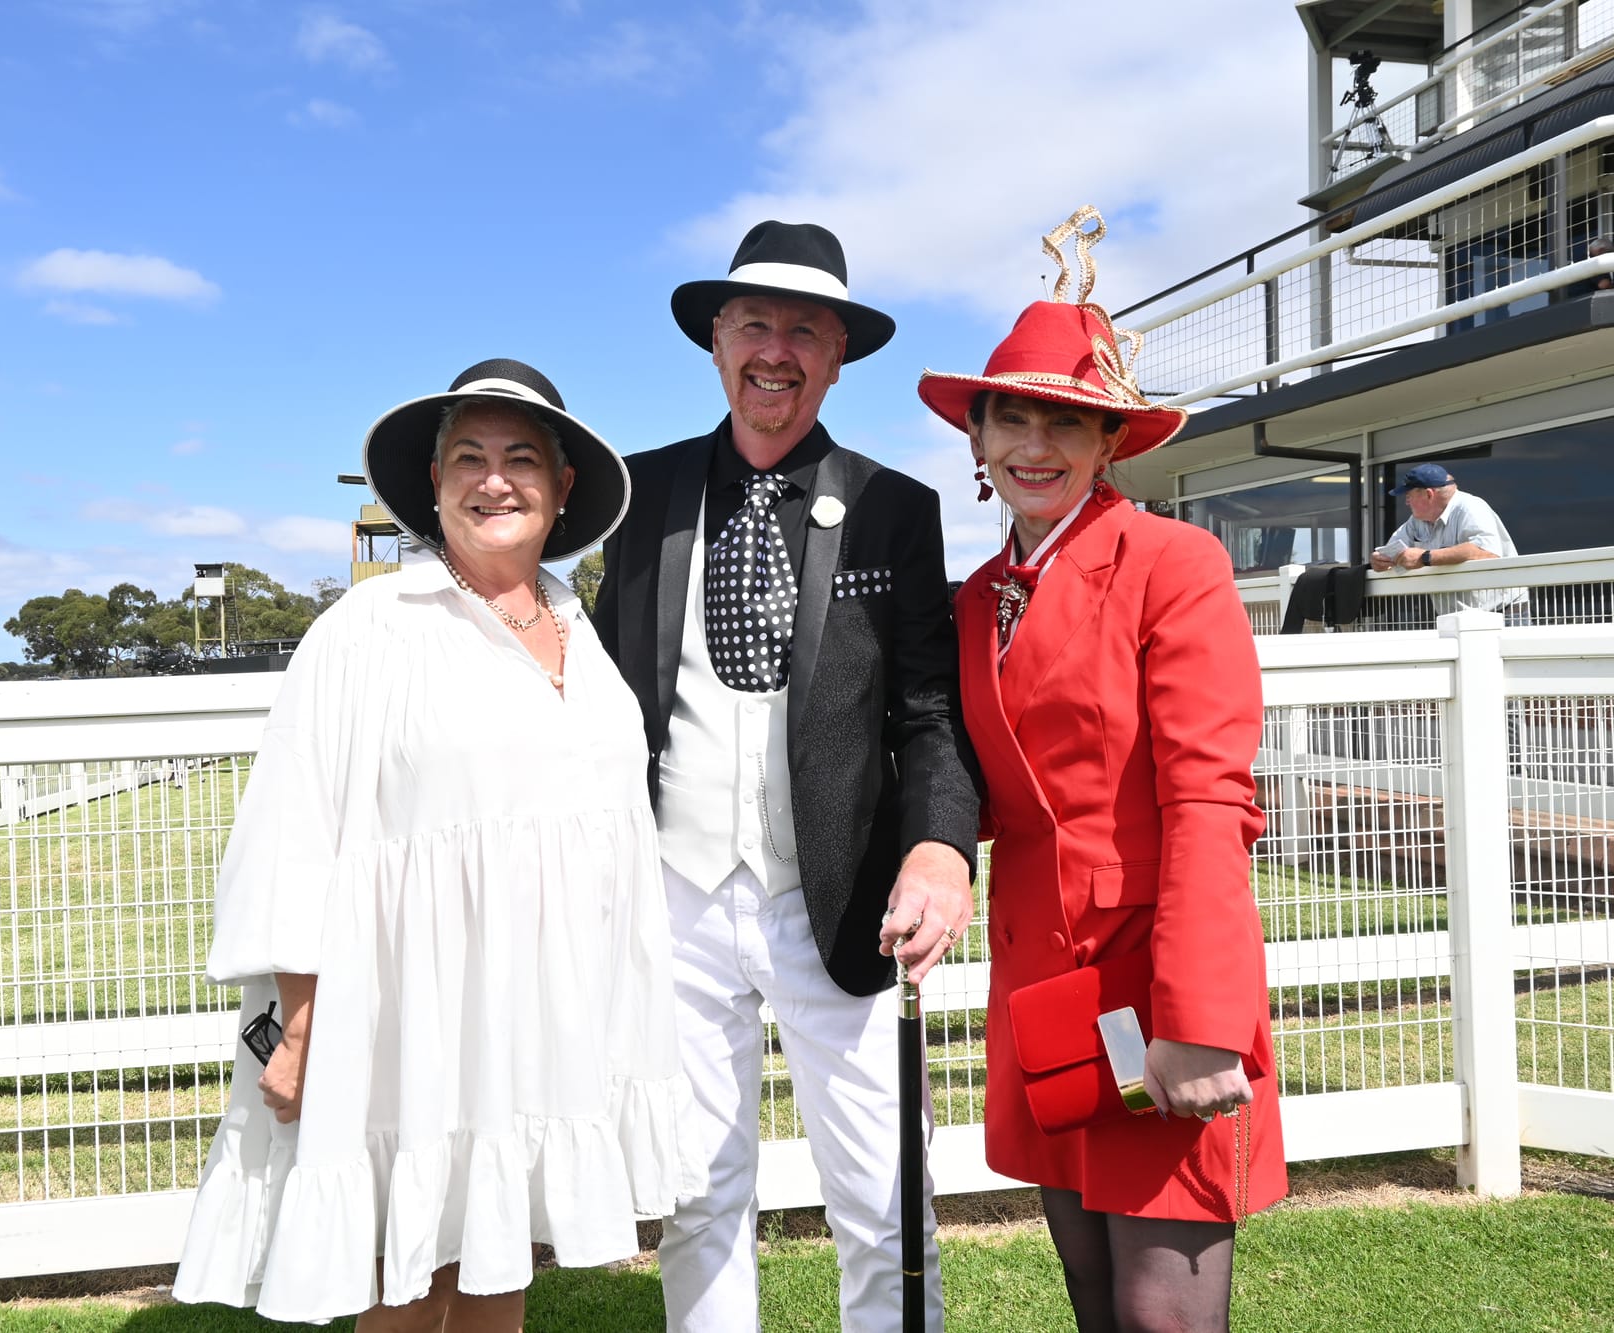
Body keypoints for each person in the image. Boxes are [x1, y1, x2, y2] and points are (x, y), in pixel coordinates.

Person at [173, 359, 686, 1332]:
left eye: (521, 458)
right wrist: (301, 1021)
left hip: (530, 1012)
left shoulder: (581, 630)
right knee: (402, 1273)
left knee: (495, 1255)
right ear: (435, 482)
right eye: (469, 457)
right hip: (404, 1009)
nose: (495, 480)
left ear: (562, 484)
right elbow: (294, 824)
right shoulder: (371, 627)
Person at [592, 220, 981, 1332]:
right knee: (697, 1192)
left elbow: (926, 708)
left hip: (839, 896)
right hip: (672, 898)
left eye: (802, 329)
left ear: (837, 354)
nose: (775, 349)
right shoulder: (639, 493)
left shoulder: (892, 508)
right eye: (753, 323)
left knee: (879, 1196)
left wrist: (940, 846)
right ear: (715, 341)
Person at [917, 207, 1287, 1331]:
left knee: (1160, 1315)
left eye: (1065, 423)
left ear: (1108, 441)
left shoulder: (1172, 562)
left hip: (1150, 988)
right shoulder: (974, 599)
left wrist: (1199, 1014)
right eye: (1010, 417)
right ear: (975, 440)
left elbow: (1208, 794)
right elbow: (965, 780)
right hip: (1044, 997)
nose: (1035, 443)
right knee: (1091, 1301)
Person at [1369, 462, 1525, 616]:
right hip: (1458, 617)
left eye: (1409, 496)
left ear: (1429, 494)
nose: (1406, 502)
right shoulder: (1416, 521)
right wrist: (1381, 561)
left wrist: (1424, 557)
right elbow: (1391, 550)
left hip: (1504, 613)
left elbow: (1486, 551)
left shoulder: (1470, 507)